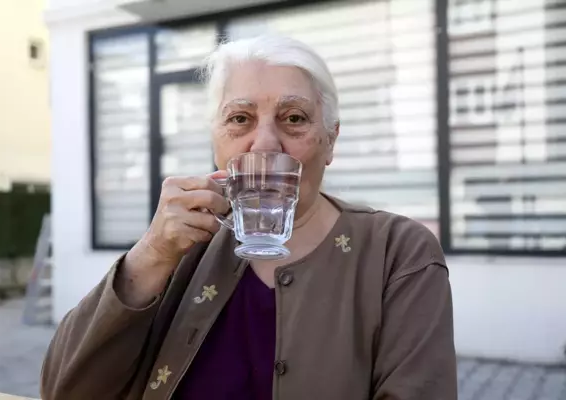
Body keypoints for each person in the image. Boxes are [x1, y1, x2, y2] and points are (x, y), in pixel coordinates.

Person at [40, 34, 457, 400]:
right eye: (240, 119)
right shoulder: (180, 244)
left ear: (330, 142)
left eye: (294, 118)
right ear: (216, 142)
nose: (265, 144)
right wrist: (151, 253)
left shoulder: (397, 252)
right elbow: (65, 391)